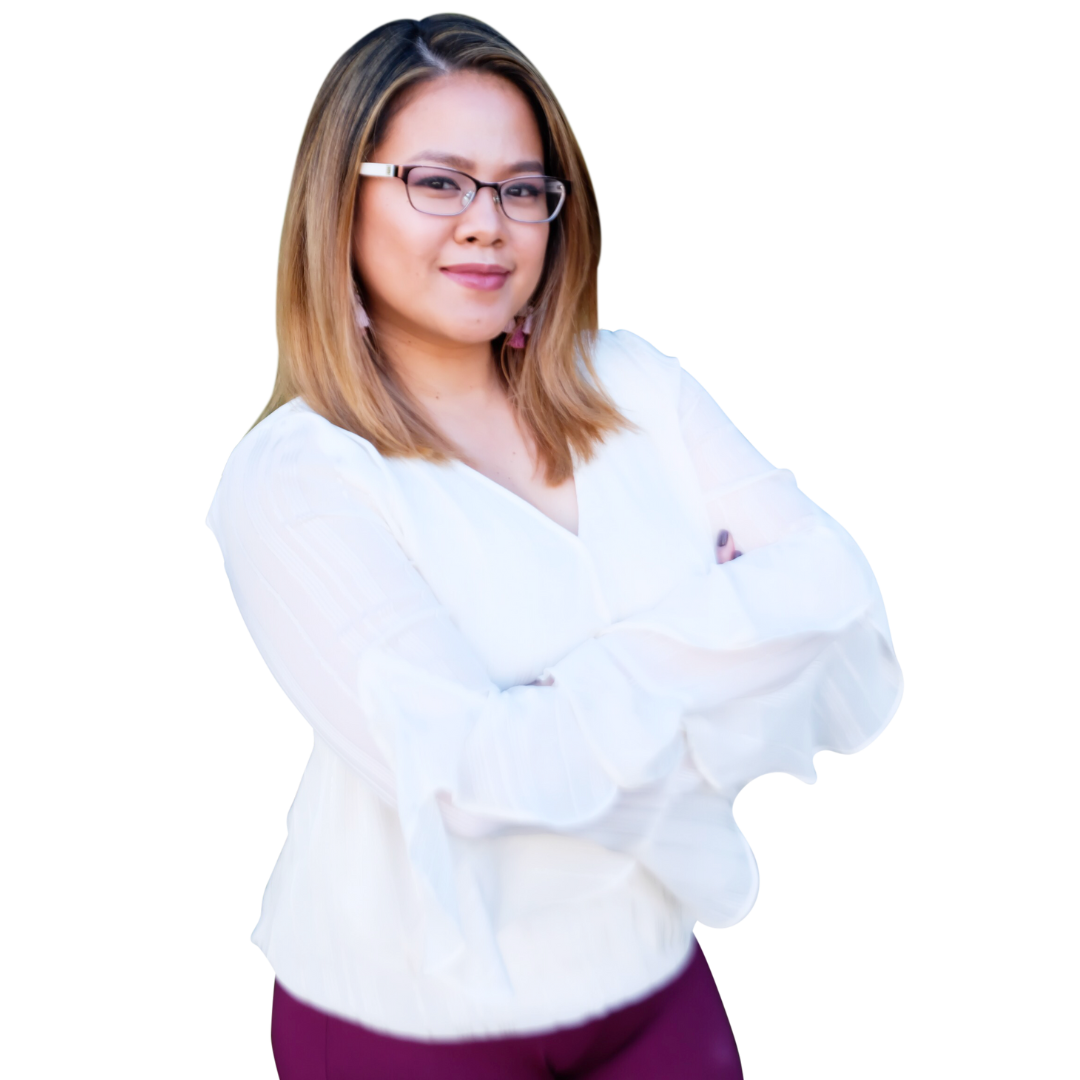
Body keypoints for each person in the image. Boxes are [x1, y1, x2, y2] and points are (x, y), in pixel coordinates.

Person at [204, 14, 904, 1079]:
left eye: (522, 188)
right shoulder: (296, 480)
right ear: (339, 203)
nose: (490, 224)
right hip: (410, 1019)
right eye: (437, 180)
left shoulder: (629, 383)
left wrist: (550, 698)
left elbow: (841, 598)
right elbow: (468, 786)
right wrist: (713, 645)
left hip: (645, 972)